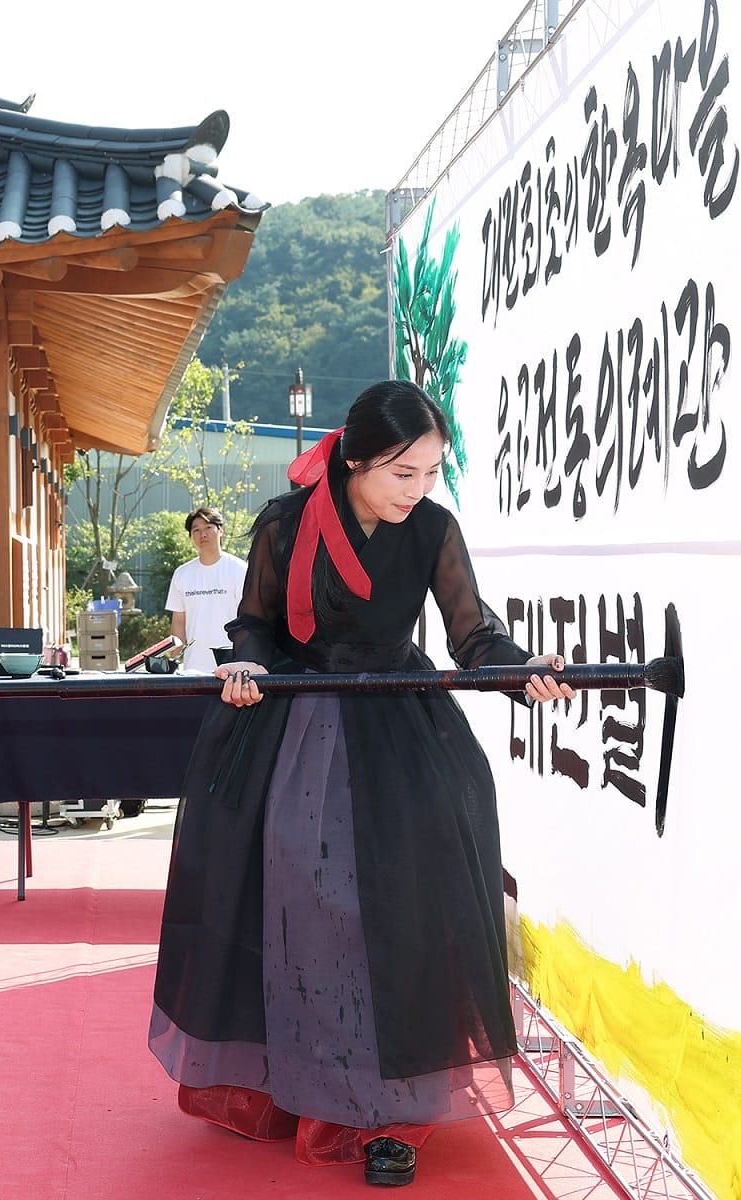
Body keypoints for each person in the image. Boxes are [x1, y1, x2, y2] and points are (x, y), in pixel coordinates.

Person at [148, 381, 575, 1188]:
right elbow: (257, 625)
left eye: (429, 474)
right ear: (353, 459)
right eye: (400, 473)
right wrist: (249, 667)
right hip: (291, 726)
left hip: (395, 727)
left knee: (395, 909)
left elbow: (472, 632)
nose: (416, 491)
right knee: (297, 909)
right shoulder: (283, 522)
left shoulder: (434, 531)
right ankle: (290, 1083)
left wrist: (520, 671)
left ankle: (388, 1112)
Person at [165, 506, 247, 674]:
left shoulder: (239, 570)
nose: (202, 534)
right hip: (193, 668)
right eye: (196, 530)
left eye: (208, 527)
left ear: (220, 530)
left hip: (232, 666)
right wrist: (174, 659)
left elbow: (248, 619)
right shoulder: (182, 574)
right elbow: (179, 621)